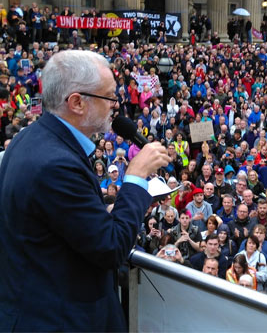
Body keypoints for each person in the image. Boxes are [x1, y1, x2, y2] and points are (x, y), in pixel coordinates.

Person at [0, 50, 170, 331]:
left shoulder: (30, 139)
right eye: (109, 96)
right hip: (59, 320)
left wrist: (99, 214)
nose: (115, 105)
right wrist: (136, 177)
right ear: (77, 102)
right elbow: (111, 247)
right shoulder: (56, 164)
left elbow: (57, 223)